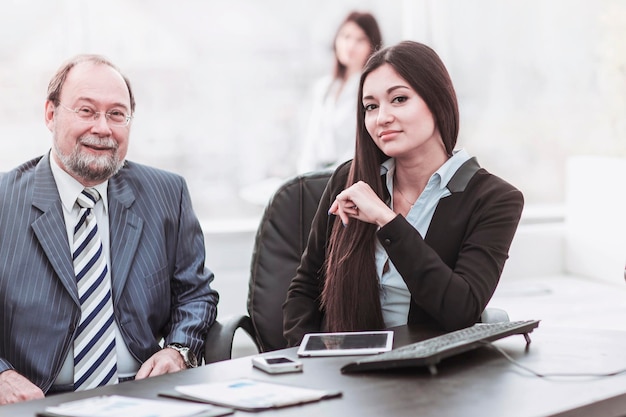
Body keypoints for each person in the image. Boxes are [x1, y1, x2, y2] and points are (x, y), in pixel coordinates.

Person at [0, 54, 219, 404]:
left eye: (116, 114)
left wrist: (178, 350)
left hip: (142, 394)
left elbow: (195, 294)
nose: (102, 128)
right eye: (86, 111)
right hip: (38, 398)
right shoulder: (4, 201)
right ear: (50, 114)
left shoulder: (167, 193)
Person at [283, 41, 524, 346]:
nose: (381, 117)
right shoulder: (350, 179)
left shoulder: (494, 200)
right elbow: (305, 290)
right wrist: (304, 359)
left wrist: (387, 220)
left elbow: (461, 310)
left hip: (432, 377)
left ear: (437, 101)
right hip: (344, 373)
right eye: (371, 106)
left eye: (398, 99)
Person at [297, 10, 382, 174]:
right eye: (346, 36)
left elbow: (360, 145)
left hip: (349, 174)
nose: (350, 45)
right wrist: (303, 179)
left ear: (372, 45)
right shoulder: (324, 87)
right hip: (316, 175)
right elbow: (310, 143)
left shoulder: (370, 88)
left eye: (360, 39)